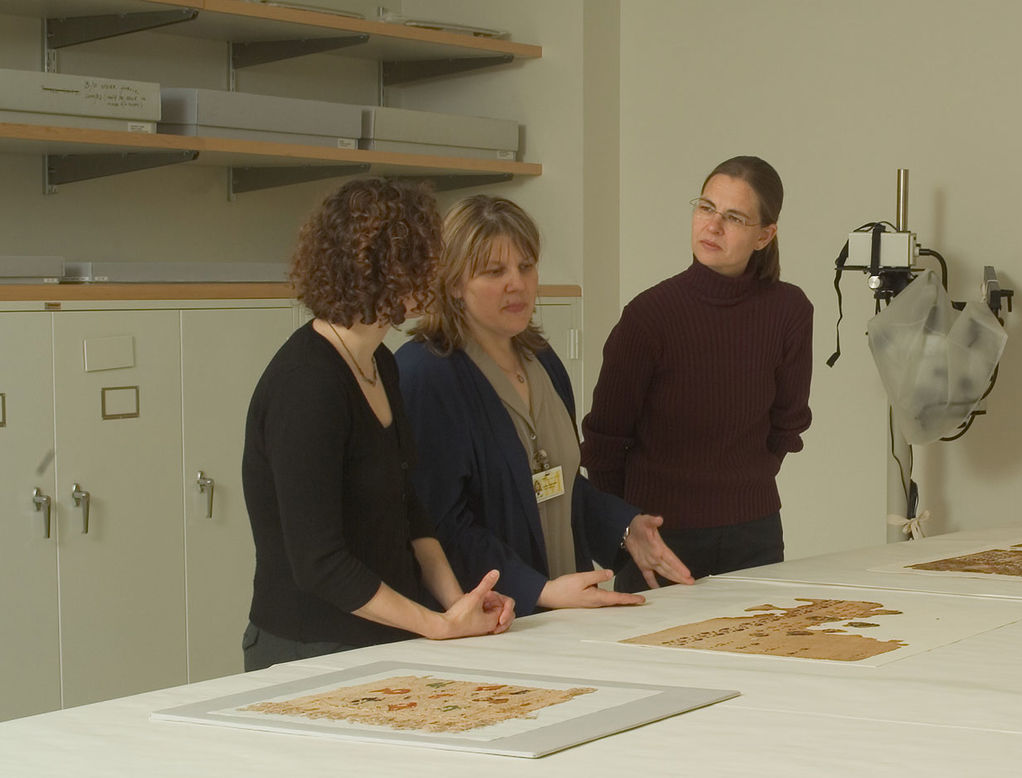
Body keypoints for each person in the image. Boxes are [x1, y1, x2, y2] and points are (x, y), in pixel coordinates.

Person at [241, 179, 513, 673]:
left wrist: (458, 606)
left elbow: (408, 509)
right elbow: (319, 563)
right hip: (310, 646)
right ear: (381, 270)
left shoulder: (381, 362)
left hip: (385, 638)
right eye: (422, 260)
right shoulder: (307, 385)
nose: (435, 274)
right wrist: (435, 625)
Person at [397, 195, 694, 615]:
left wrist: (624, 527)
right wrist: (538, 589)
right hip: (487, 617)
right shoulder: (426, 374)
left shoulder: (542, 359)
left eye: (526, 266)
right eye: (494, 271)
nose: (516, 283)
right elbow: (437, 525)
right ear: (452, 284)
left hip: (559, 612)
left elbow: (556, 482)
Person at [582, 155, 813, 592]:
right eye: (705, 208)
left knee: (761, 654)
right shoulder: (649, 316)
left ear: (765, 235)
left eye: (734, 217)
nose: (712, 226)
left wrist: (743, 486)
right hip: (660, 537)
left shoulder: (790, 311)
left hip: (754, 534)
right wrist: (629, 530)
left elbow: (787, 423)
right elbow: (605, 442)